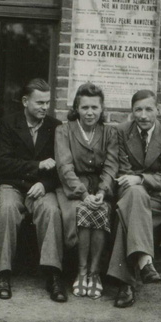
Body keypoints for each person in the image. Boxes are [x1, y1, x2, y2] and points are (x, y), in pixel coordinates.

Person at [108, 89, 161, 308]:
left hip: (154, 204)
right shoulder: (122, 131)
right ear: (131, 112)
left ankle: (126, 285)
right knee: (134, 194)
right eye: (138, 110)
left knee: (127, 213)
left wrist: (141, 179)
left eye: (148, 109)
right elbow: (124, 173)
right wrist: (159, 190)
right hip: (132, 193)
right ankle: (145, 262)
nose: (143, 115)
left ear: (158, 110)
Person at [0, 79, 65, 302]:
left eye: (47, 102)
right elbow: (2, 163)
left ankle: (53, 274)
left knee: (51, 211)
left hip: (42, 187)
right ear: (25, 101)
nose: (45, 107)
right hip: (13, 185)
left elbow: (62, 166)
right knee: (6, 208)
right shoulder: (9, 123)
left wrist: (45, 185)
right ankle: (2, 273)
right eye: (40, 103)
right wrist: (37, 166)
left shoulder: (55, 126)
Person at [55, 83, 119, 299]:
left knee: (100, 209)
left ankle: (95, 273)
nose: (90, 112)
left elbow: (111, 166)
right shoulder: (64, 130)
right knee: (83, 210)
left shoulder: (109, 132)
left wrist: (102, 192)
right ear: (76, 108)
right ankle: (81, 272)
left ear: (102, 109)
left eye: (94, 107)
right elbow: (64, 167)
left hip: (100, 187)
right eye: (84, 107)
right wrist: (83, 194)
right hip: (72, 188)